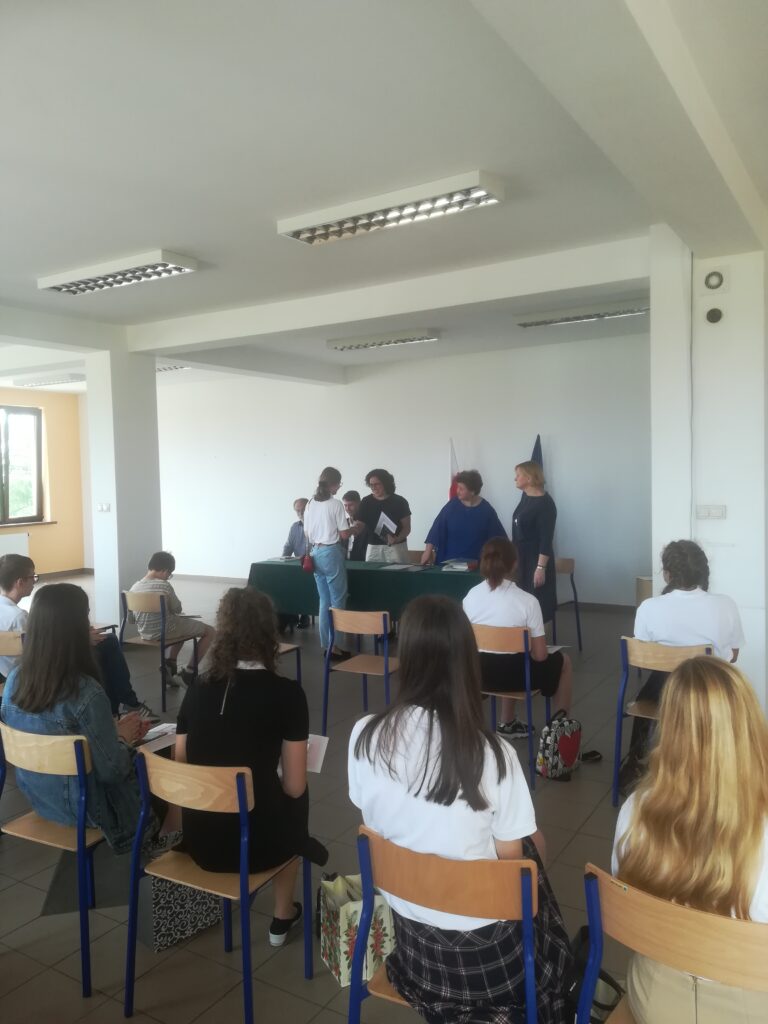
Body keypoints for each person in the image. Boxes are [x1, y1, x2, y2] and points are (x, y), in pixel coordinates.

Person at [348, 595, 572, 1024]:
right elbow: (513, 879)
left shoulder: (364, 736)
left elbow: (375, 822)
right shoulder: (495, 755)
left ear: (405, 656)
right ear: (468, 661)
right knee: (530, 851)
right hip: (490, 967)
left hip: (412, 950)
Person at [612, 657, 768, 1022]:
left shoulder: (634, 811)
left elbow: (625, 893)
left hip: (654, 995)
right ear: (748, 725)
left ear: (668, 730)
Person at [175, 587, 327, 946]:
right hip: (256, 846)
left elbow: (181, 763)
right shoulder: (287, 694)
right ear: (269, 633)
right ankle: (282, 915)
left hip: (200, 841)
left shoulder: (198, 687)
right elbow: (293, 787)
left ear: (223, 631)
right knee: (297, 797)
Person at [0, 584, 159, 854]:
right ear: (76, 628)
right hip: (92, 810)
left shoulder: (14, 679)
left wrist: (108, 731)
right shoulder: (86, 692)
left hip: (41, 800)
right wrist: (122, 737)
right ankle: (155, 850)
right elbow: (113, 771)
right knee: (159, 760)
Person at [620, 539, 745, 792]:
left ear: (667, 574)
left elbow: (642, 656)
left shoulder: (649, 607)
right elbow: (733, 655)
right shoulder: (725, 604)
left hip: (664, 693)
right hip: (710, 692)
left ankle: (636, 766)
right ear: (702, 571)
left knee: (648, 690)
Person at [0, 553, 159, 722]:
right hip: (38, 671)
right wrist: (80, 639)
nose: (34, 581)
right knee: (109, 644)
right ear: (20, 582)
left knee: (104, 649)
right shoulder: (19, 617)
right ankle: (126, 704)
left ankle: (118, 709)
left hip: (7, 673)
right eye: (33, 577)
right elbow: (45, 652)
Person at [463, 538, 572, 740]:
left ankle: (508, 722)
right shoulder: (528, 602)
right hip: (518, 677)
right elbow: (540, 656)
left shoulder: (470, 597)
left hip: (479, 676)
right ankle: (559, 735)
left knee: (508, 655)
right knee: (563, 661)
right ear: (514, 564)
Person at [130, 551, 216, 685]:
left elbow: (131, 619)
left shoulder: (134, 587)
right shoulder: (164, 586)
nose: (168, 577)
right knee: (210, 631)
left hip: (144, 633)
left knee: (181, 625)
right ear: (165, 570)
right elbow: (177, 608)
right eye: (169, 574)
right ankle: (189, 672)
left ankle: (170, 664)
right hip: (165, 630)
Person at [303, 467, 352, 659]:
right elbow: (344, 534)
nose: (339, 487)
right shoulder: (335, 504)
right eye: (339, 484)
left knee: (324, 601)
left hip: (315, 552)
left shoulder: (310, 503)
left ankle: (327, 645)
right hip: (331, 552)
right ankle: (335, 645)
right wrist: (355, 528)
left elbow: (307, 532)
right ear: (333, 484)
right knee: (338, 600)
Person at [421, 469, 506, 565]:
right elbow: (436, 528)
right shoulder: (451, 506)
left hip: (476, 565)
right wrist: (427, 551)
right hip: (449, 564)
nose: (457, 491)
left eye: (461, 489)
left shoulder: (487, 510)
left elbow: (498, 538)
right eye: (458, 487)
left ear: (472, 491)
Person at [511, 461, 557, 623]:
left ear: (529, 478)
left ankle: (537, 637)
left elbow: (546, 539)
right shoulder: (526, 497)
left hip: (535, 560)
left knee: (536, 602)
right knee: (521, 603)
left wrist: (540, 568)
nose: (515, 478)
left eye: (518, 475)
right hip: (521, 558)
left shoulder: (545, 504)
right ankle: (521, 636)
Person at [356, 469, 411, 563]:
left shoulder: (400, 501)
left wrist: (397, 539)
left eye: (377, 484)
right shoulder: (366, 502)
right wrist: (353, 529)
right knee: (372, 572)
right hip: (373, 547)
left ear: (386, 483)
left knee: (399, 572)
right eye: (371, 485)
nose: (373, 487)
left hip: (397, 547)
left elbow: (407, 528)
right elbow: (360, 524)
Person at [279, 498, 310, 631]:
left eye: (303, 510)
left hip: (313, 566)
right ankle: (289, 615)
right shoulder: (294, 527)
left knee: (303, 582)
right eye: (298, 511)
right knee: (284, 581)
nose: (300, 513)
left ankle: (305, 613)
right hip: (298, 565)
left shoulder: (317, 525)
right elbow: (288, 546)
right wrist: (283, 559)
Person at [342, 490, 368, 561]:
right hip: (345, 562)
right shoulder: (343, 523)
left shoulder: (367, 524)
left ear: (359, 504)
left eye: (351, 505)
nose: (347, 509)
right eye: (345, 505)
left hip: (362, 563)